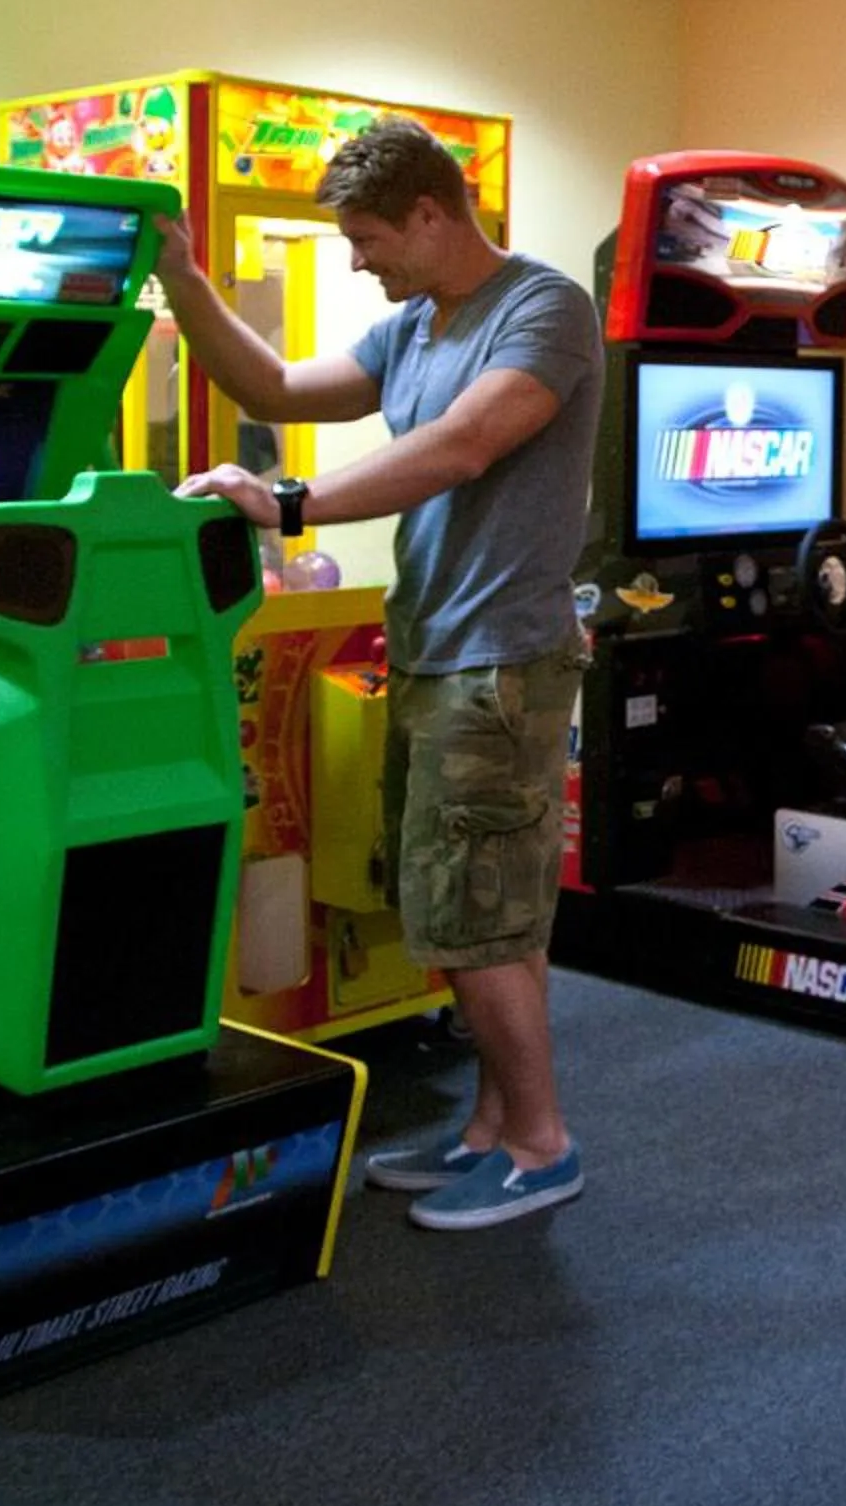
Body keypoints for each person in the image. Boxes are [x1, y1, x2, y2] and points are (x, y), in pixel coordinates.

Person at [167, 116, 601, 1232]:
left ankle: (542, 1146)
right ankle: (489, 1129)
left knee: (476, 917)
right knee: (469, 908)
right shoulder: (414, 325)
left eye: (368, 239)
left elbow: (463, 443)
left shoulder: (544, 308)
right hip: (432, 647)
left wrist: (290, 503)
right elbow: (272, 384)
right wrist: (182, 277)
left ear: (430, 212)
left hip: (499, 658)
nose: (359, 261)